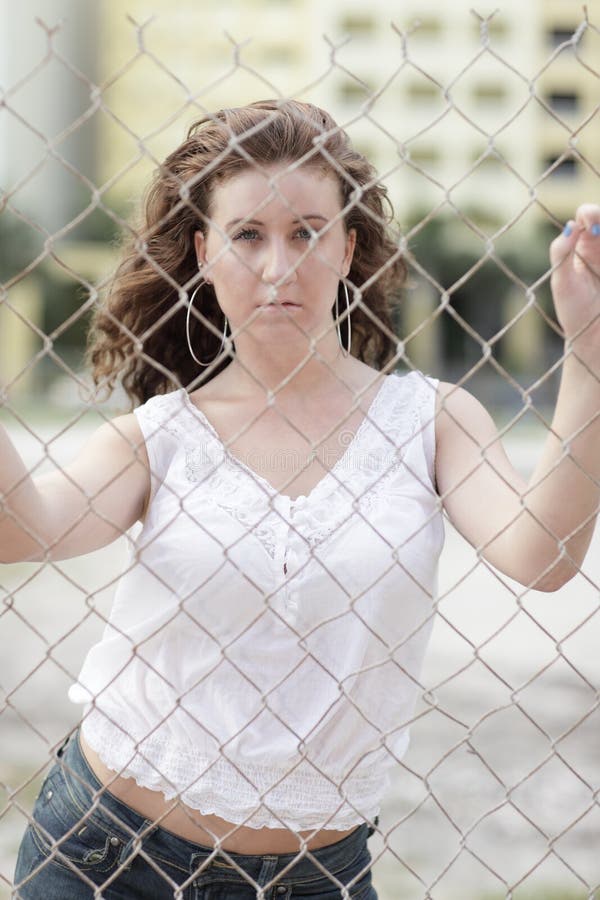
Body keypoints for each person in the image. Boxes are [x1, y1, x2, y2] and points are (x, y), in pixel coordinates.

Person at [6, 98, 600, 899]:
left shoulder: (428, 421)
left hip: (314, 878)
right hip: (107, 858)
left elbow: (545, 557)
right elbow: (22, 529)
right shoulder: (161, 438)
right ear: (205, 252)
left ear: (350, 247)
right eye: (248, 236)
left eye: (307, 232)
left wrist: (591, 344)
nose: (279, 268)